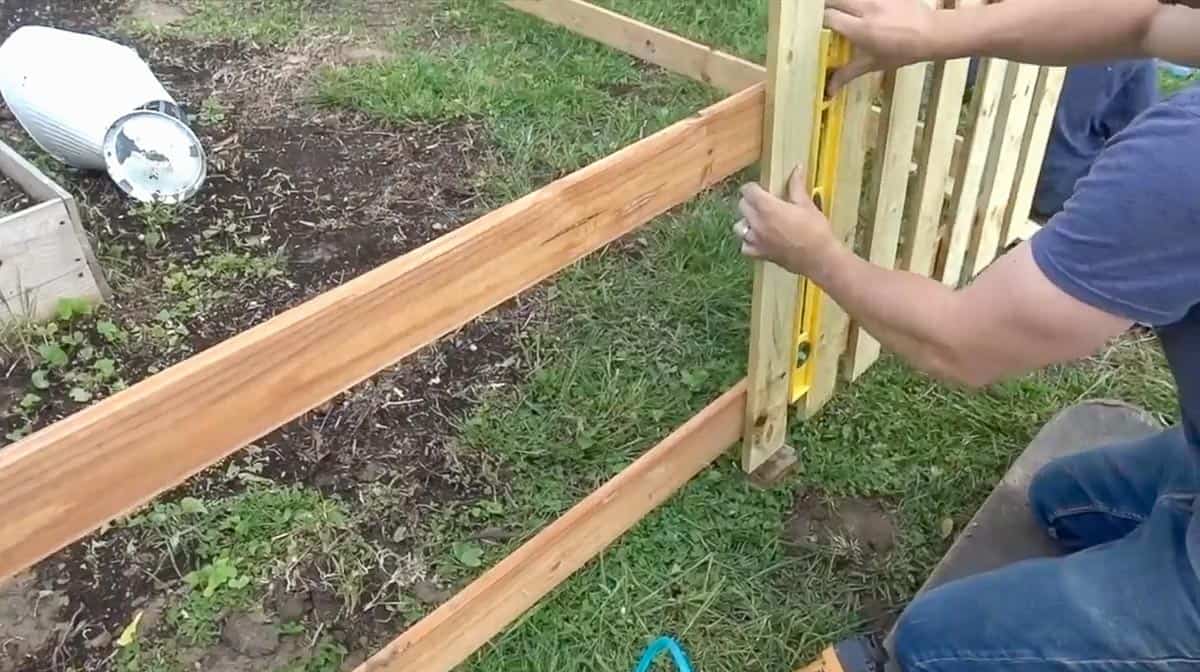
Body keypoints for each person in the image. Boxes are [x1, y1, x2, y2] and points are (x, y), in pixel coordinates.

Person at [732, 0, 1200, 669]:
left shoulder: (1185, 159)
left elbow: (959, 343)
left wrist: (820, 257)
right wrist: (939, 32)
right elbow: (1144, 25)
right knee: (1060, 503)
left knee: (930, 645)